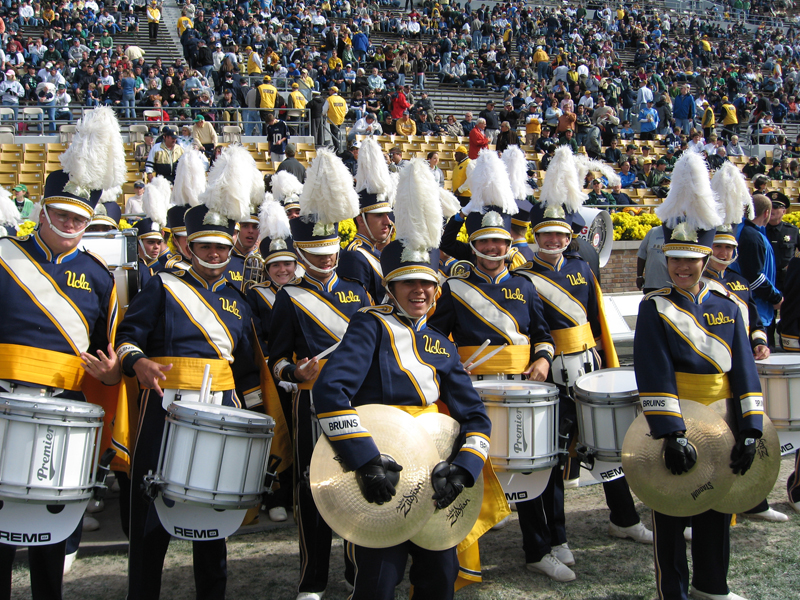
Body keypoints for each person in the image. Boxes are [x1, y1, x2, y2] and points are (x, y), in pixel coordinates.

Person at [312, 158, 494, 600]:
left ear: (437, 288)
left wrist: (465, 469)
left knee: (438, 580)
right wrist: (364, 459)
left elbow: (476, 416)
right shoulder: (369, 325)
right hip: (385, 470)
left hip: (435, 475)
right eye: (407, 283)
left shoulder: (441, 343)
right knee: (377, 583)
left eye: (427, 283)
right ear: (390, 289)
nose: (419, 292)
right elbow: (329, 390)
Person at [117, 150, 263, 600]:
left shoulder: (240, 300)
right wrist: (137, 362)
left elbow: (247, 371)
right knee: (150, 519)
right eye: (205, 246)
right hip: (165, 409)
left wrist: (254, 422)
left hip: (220, 411)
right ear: (187, 247)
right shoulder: (163, 285)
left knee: (211, 520)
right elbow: (127, 337)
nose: (215, 253)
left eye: (222, 246)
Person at [514, 147, 653, 583]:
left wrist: (608, 365)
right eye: (546, 235)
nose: (553, 241)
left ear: (568, 235)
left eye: (559, 235)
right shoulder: (522, 275)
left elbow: (598, 323)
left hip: (588, 364)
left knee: (606, 444)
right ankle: (556, 537)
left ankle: (624, 516)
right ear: (535, 236)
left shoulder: (580, 266)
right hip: (550, 372)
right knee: (553, 458)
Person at [0, 116, 121, 600]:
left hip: (64, 408)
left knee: (50, 534)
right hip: (3, 402)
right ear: (43, 210)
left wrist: (112, 375)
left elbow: (104, 351)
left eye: (79, 219)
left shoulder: (100, 277)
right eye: (62, 215)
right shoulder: (6, 256)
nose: (70, 226)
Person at [633, 151, 763, 600]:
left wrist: (751, 429)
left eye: (691, 260)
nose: (682, 268)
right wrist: (671, 432)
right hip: (674, 423)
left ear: (706, 258)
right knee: (669, 512)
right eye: (674, 260)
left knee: (716, 505)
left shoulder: (729, 305)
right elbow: (653, 373)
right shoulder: (653, 307)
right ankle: (675, 593)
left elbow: (744, 371)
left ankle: (713, 586)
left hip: (721, 420)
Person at [268, 151, 371, 600]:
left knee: (356, 482)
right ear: (300, 252)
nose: (325, 259)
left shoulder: (359, 292)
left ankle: (355, 573)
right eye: (314, 252)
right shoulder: (288, 298)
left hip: (355, 401)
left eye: (329, 251)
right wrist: (295, 369)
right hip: (309, 400)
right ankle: (312, 580)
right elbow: (275, 359)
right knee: (313, 490)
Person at [338, 138, 395, 303]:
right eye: (378, 215)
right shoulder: (353, 256)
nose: (388, 221)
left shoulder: (373, 250)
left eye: (387, 214)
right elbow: (358, 307)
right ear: (361, 220)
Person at [729, 194, 783, 332]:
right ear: (766, 213)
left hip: (744, 307)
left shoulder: (740, 230)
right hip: (754, 311)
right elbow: (753, 277)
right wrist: (776, 298)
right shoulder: (751, 235)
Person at [636, 223, 670, 293]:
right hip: (651, 284)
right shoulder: (653, 232)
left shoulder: (679, 234)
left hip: (671, 286)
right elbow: (642, 255)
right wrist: (639, 276)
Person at [322, 86, 347, 152]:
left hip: (332, 119)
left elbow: (324, 109)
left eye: (330, 90)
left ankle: (337, 149)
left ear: (333, 91)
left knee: (334, 134)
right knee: (336, 133)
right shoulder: (342, 99)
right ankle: (337, 148)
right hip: (340, 119)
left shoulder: (329, 99)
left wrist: (323, 114)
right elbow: (346, 110)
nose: (329, 91)